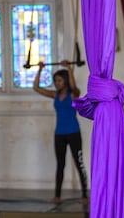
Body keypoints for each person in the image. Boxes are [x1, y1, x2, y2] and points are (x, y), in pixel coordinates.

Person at [33, 60, 88, 204]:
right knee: (60, 165)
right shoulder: (55, 95)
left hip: (73, 133)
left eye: (59, 80)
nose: (57, 83)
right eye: (55, 81)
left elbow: (75, 87)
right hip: (59, 134)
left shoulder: (74, 94)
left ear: (65, 81)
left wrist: (69, 69)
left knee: (79, 164)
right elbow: (36, 88)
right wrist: (40, 70)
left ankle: (85, 195)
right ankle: (57, 196)